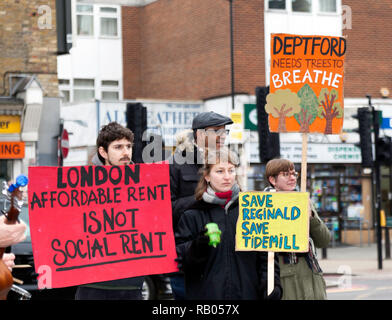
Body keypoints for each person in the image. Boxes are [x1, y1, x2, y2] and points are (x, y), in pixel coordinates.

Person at [175, 148, 282, 300]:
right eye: (220, 171)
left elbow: (267, 256)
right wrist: (197, 247)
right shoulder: (192, 214)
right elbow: (180, 262)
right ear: (207, 176)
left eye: (231, 170)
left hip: (247, 294)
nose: (227, 177)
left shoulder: (252, 210)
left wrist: (272, 284)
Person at [75, 122, 145, 300]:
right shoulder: (83, 186)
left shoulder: (145, 184)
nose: (125, 152)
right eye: (118, 147)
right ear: (103, 152)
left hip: (130, 283)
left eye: (128, 146)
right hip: (93, 283)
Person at [169, 111, 233, 300]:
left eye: (225, 132)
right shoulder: (176, 164)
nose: (222, 136)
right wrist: (202, 197)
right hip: (189, 254)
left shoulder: (225, 161)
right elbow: (168, 209)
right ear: (200, 134)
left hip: (223, 253)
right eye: (216, 131)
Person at [264, 158, 331, 300]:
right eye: (285, 174)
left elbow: (324, 240)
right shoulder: (262, 206)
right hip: (286, 281)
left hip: (312, 277)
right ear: (273, 180)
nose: (292, 178)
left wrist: (311, 217)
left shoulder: (304, 201)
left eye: (294, 174)